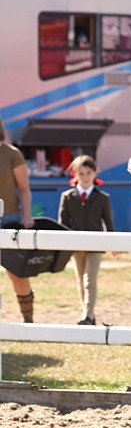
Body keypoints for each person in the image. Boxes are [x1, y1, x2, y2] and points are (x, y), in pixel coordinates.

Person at [58, 155, 114, 325]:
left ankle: (87, 315)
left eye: (88, 173)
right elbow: (63, 223)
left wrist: (113, 243)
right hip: (76, 245)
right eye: (81, 173)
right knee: (81, 280)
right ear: (75, 174)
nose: (85, 177)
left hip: (95, 245)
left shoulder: (102, 197)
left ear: (94, 173)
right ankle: (87, 313)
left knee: (90, 280)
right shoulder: (68, 197)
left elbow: (108, 222)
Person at [0, 117, 37, 322]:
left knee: (17, 272)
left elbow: (24, 188)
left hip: (9, 220)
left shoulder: (11, 154)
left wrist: (27, 215)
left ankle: (28, 319)